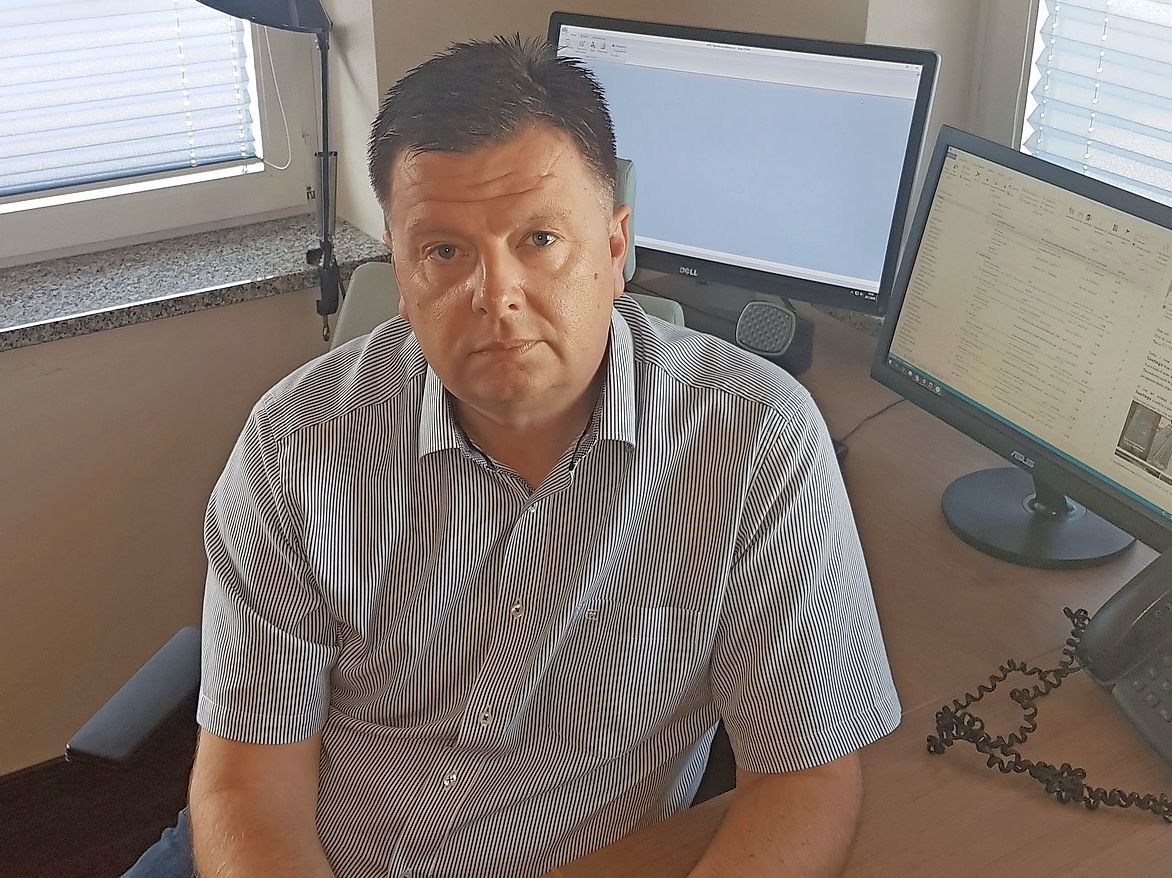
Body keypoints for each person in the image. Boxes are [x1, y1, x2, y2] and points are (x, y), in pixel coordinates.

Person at [124, 34, 901, 878]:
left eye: (538, 239)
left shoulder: (755, 446)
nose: (496, 296)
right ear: (401, 270)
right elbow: (249, 787)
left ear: (615, 249)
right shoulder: (292, 450)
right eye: (444, 251)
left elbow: (805, 778)